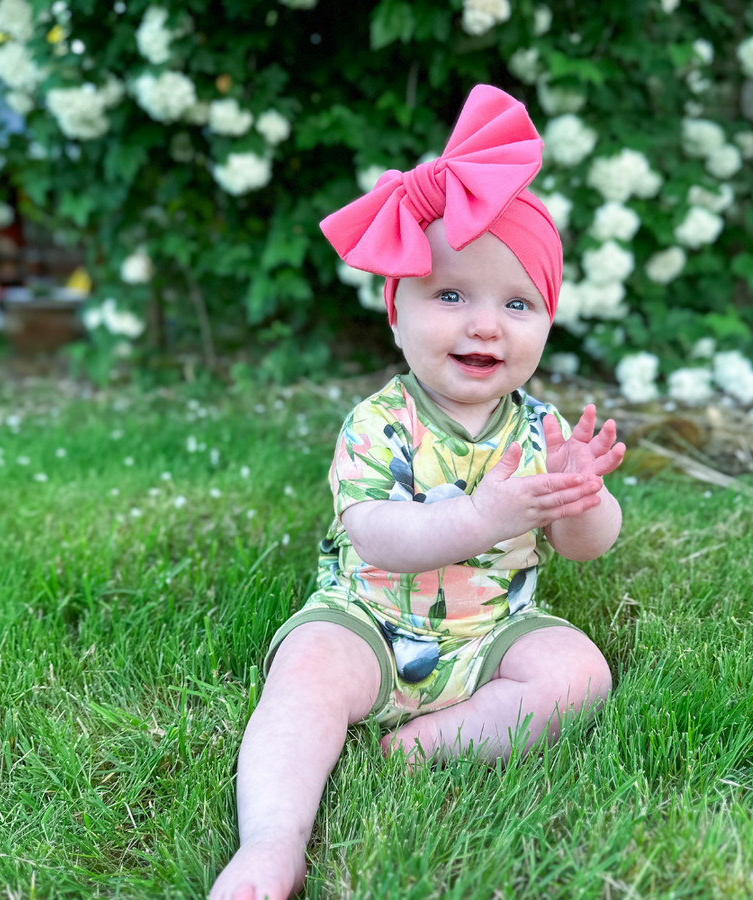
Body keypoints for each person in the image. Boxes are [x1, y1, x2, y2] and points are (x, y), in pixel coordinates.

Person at [210, 84, 626, 900]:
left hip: (492, 627)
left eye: (517, 303)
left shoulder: (538, 427)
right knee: (305, 677)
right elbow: (376, 536)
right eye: (451, 295)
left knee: (580, 672)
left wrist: (583, 500)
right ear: (395, 314)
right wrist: (487, 515)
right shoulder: (380, 422)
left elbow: (587, 548)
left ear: (547, 322)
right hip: (367, 621)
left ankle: (435, 743)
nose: (485, 325)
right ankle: (272, 840)